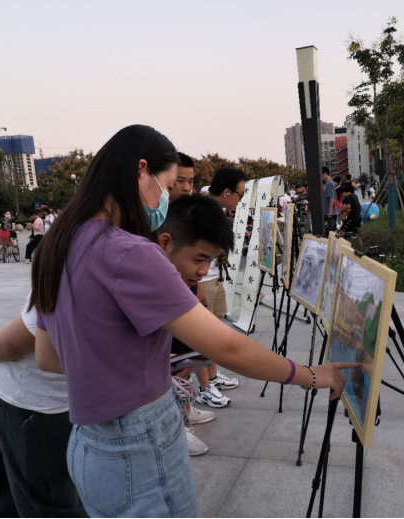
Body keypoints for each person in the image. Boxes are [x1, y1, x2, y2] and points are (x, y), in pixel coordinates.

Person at [31, 125, 354, 518]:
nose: (167, 199)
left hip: (88, 445)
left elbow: (48, 357)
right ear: (141, 171)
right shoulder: (128, 251)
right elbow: (228, 347)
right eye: (167, 186)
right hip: (138, 443)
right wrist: (310, 376)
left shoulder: (57, 245)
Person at [0, 296, 86, 518]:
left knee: (45, 501)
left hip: (37, 404)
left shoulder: (67, 275)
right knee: (74, 486)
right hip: (81, 399)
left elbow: (14, 343)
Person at [159, 194, 234, 456]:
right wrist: (305, 376)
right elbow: (232, 349)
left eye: (210, 261)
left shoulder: (177, 279)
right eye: (199, 259)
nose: (204, 270)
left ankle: (182, 414)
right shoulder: (150, 283)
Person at [195, 166, 249, 408]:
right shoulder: (201, 210)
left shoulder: (217, 210)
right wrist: (196, 285)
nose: (240, 200)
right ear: (227, 192)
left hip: (215, 277)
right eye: (240, 194)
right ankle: (204, 387)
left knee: (214, 330)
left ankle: (213, 376)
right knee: (201, 336)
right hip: (202, 281)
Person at [323, 167, 339, 236]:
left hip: (330, 214)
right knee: (329, 234)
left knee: (330, 234)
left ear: (325, 173)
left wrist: (330, 212)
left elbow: (331, 198)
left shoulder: (329, 183)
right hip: (330, 213)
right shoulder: (328, 183)